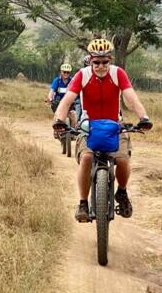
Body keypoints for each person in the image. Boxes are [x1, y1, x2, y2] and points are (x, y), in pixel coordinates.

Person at [53, 38, 152, 222]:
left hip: (114, 125)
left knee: (122, 159)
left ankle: (121, 192)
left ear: (110, 60)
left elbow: (132, 98)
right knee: (87, 158)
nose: (100, 66)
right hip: (88, 126)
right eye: (96, 62)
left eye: (104, 62)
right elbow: (67, 100)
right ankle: (83, 203)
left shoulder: (118, 74)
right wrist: (59, 119)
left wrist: (143, 117)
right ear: (90, 60)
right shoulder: (82, 75)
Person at [46, 63, 77, 131]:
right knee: (57, 114)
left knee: (74, 114)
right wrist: (50, 98)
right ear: (61, 72)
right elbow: (52, 91)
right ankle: (56, 130)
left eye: (68, 72)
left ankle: (73, 131)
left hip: (69, 103)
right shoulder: (57, 80)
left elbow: (76, 91)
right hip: (58, 103)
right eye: (64, 72)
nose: (66, 74)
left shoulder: (72, 81)